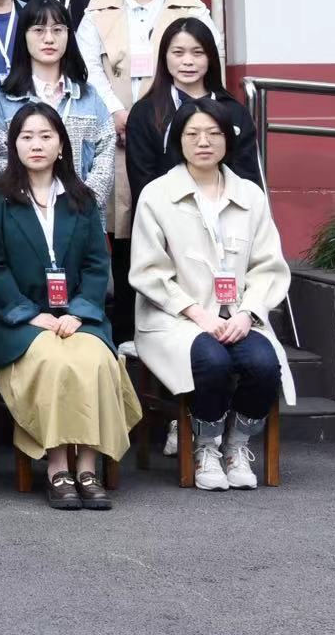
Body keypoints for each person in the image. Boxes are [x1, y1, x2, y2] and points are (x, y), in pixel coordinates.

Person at [0, 103, 141, 510]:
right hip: (19, 322)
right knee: (54, 361)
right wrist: (33, 315)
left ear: (62, 145)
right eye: (26, 136)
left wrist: (79, 312)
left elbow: (97, 266)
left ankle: (88, 467)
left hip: (79, 317)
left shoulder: (83, 199)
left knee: (96, 360)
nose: (36, 144)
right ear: (13, 145)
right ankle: (57, 466)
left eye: (46, 136)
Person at [131, 97, 294, 492]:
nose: (203, 142)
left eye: (213, 133)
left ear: (227, 139)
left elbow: (268, 266)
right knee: (212, 361)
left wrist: (247, 313)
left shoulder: (250, 195)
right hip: (175, 318)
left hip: (238, 316)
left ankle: (237, 444)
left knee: (263, 364)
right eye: (193, 134)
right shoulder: (157, 194)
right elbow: (149, 271)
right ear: (178, 140)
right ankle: (206, 445)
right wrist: (198, 314)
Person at [79, 0, 218, 112]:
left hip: (179, 117)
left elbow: (208, 58)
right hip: (112, 119)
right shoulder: (98, 8)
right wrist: (114, 110)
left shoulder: (191, 7)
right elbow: (88, 65)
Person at [0, 2, 119, 209]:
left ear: (69, 35)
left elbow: (105, 155)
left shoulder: (89, 97)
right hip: (27, 214)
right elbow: (2, 159)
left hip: (82, 214)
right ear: (23, 35)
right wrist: (34, 206)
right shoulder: (5, 100)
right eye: (39, 30)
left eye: (58, 30)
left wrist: (84, 205)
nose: (49, 39)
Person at [122, 18, 263, 201]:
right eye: (178, 53)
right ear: (164, 56)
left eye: (198, 53)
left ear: (210, 57)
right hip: (164, 213)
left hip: (226, 211)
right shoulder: (144, 112)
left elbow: (247, 180)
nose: (188, 61)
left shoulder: (234, 112)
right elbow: (142, 182)